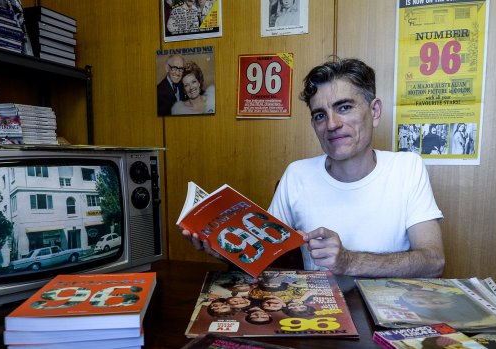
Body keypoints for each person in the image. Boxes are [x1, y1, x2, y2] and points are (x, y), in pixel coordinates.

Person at [182, 57, 445, 278]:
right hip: (320, 320)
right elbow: (262, 258)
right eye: (320, 115)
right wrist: (224, 250)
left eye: (344, 107)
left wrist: (349, 261)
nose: (331, 124)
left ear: (375, 111)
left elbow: (434, 261)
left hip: (389, 321)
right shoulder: (297, 175)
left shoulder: (407, 168)